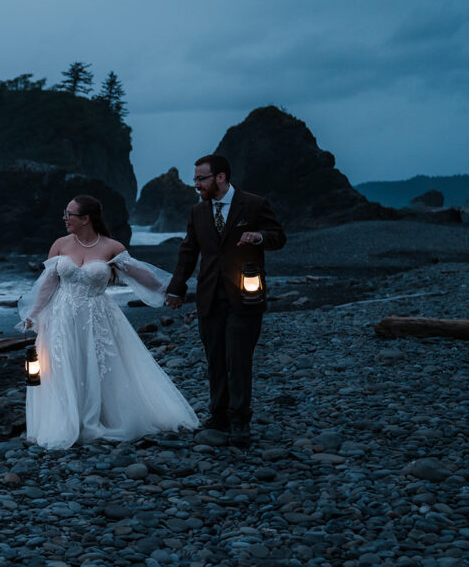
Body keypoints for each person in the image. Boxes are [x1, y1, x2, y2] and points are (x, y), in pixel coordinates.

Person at [17, 195, 198, 449]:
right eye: (65, 213)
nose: (64, 218)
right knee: (64, 365)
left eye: (69, 214)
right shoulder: (60, 244)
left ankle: (103, 417)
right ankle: (68, 421)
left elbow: (138, 273)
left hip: (98, 315)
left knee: (102, 366)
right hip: (62, 317)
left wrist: (167, 290)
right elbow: (49, 283)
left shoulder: (111, 247)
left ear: (85, 219)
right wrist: (34, 313)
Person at [165, 154, 286, 447]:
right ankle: (218, 415)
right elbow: (188, 252)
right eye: (195, 179)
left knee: (238, 360)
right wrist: (176, 289)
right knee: (215, 359)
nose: (196, 184)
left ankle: (240, 420)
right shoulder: (198, 212)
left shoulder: (254, 204)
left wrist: (258, 237)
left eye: (201, 178)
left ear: (220, 177)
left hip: (245, 295)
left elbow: (278, 236)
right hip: (209, 296)